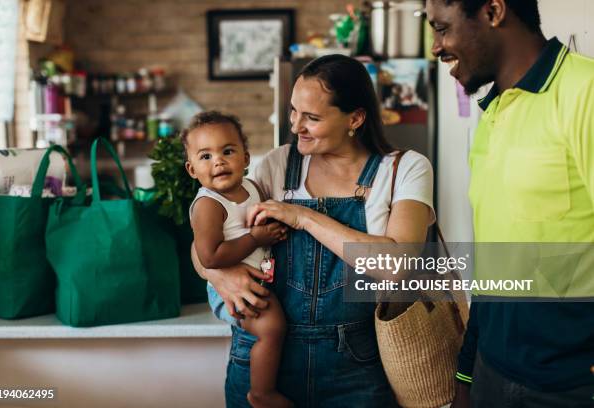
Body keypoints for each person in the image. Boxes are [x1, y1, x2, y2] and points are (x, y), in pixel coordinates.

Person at [192, 54, 435, 407]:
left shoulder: (403, 169)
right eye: (294, 111)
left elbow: (396, 266)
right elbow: (205, 244)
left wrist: (303, 217)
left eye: (312, 118)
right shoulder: (278, 163)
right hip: (263, 362)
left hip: (355, 367)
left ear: (355, 118)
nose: (295, 126)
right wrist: (220, 276)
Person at [425, 0, 594, 406]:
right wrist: (467, 373)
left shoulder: (584, 92)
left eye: (443, 28)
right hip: (492, 374)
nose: (436, 46)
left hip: (569, 387)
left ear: (494, 11)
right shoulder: (494, 112)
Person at [184, 111, 292, 408]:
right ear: (192, 169)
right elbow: (210, 256)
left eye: (227, 151)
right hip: (230, 291)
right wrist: (257, 238)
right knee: (272, 329)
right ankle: (261, 392)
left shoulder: (253, 188)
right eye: (205, 156)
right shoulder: (208, 204)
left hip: (258, 278)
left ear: (246, 158)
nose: (218, 161)